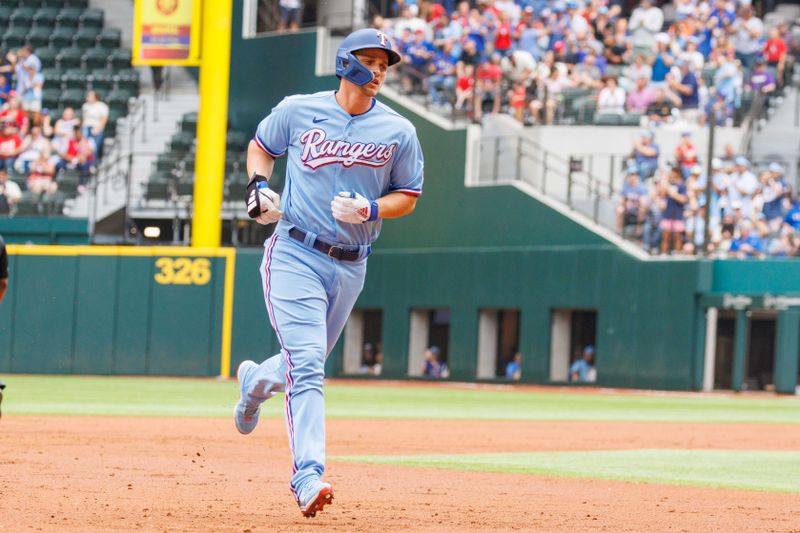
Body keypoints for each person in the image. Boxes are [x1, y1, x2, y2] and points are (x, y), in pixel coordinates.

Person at [232, 29, 423, 519]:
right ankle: (307, 476)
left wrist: (371, 208)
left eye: (385, 63)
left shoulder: (398, 130)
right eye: (370, 60)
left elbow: (408, 195)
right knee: (310, 361)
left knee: (300, 362)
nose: (379, 70)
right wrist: (257, 188)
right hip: (294, 252)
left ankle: (254, 382)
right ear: (345, 63)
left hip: (351, 265)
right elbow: (260, 146)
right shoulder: (299, 110)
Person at [81, 91, 108, 159]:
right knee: (84, 148)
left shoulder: (102, 106)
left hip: (96, 129)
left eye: (90, 96)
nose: (88, 98)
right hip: (86, 128)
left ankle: (94, 165)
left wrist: (98, 129)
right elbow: (84, 119)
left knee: (94, 148)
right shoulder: (85, 106)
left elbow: (104, 119)